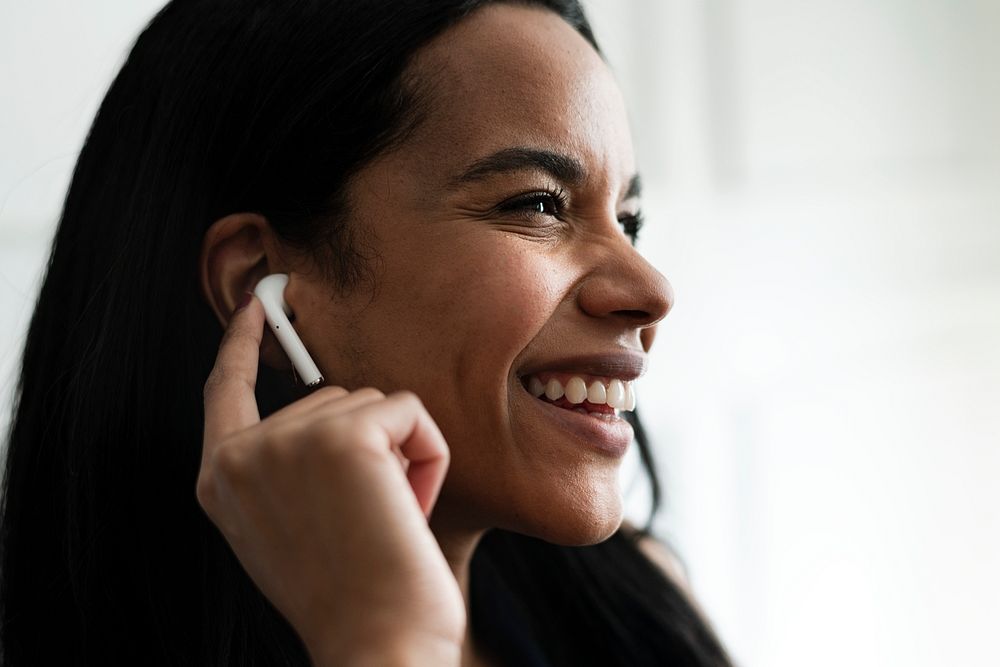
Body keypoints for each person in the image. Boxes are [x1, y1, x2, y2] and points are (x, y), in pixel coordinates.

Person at [0, 1, 733, 665]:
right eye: (539, 204)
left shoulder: (639, 606)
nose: (650, 291)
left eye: (628, 220)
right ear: (262, 286)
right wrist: (386, 639)